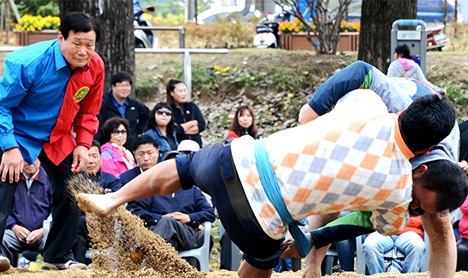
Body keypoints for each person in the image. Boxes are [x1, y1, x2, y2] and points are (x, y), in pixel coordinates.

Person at [77, 86, 466, 278]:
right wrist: (311, 242)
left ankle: (113, 199)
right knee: (262, 259)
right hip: (260, 216)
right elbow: (363, 223)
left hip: (240, 157)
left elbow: (346, 87)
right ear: (425, 158)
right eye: (420, 204)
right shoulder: (398, 192)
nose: (415, 208)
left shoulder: (368, 103)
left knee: (184, 167)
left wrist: (311, 118)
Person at [291, 60, 462, 278]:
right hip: (377, 109)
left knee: (439, 219)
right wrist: (312, 109)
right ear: (418, 171)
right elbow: (361, 70)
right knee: (334, 187)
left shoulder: (443, 176)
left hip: (432, 143)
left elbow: (366, 220)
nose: (412, 211)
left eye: (418, 210)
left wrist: (315, 237)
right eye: (415, 203)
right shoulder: (398, 117)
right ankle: (312, 267)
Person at [0, 12, 104, 272]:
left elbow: (89, 112)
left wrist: (83, 143)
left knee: (73, 187)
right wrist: (10, 148)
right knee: (4, 182)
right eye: (77, 43)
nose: (83, 51)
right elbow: (2, 106)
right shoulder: (27, 62)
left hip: (57, 137)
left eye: (89, 45)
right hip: (18, 132)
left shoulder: (96, 67)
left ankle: (57, 256)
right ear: (61, 38)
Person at [72, 141, 122, 264]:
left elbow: (116, 204)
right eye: (87, 156)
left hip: (106, 228)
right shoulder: (74, 181)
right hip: (81, 231)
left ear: (100, 158)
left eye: (95, 156)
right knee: (76, 235)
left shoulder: (112, 181)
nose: (90, 161)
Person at [0, 159, 52, 267]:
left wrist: (42, 230)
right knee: (4, 238)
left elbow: (56, 210)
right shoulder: (12, 178)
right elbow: (4, 207)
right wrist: (14, 227)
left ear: (40, 159)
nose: (30, 162)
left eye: (34, 158)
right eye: (26, 158)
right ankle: (7, 270)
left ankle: (50, 270)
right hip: (16, 232)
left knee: (53, 239)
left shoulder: (50, 179)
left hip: (43, 233)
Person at [96, 71, 150, 150]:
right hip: (108, 149)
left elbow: (148, 115)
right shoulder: (103, 104)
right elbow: (98, 127)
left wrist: (136, 131)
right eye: (121, 85)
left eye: (127, 85)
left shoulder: (134, 104)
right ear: (113, 86)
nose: (124, 89)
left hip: (130, 148)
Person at [166, 78, 206, 147]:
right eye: (180, 91)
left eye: (185, 91)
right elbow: (174, 130)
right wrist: (193, 123)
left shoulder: (192, 106)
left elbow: (202, 125)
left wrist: (183, 129)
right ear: (172, 93)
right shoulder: (168, 109)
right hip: (179, 147)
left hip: (196, 146)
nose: (183, 94)